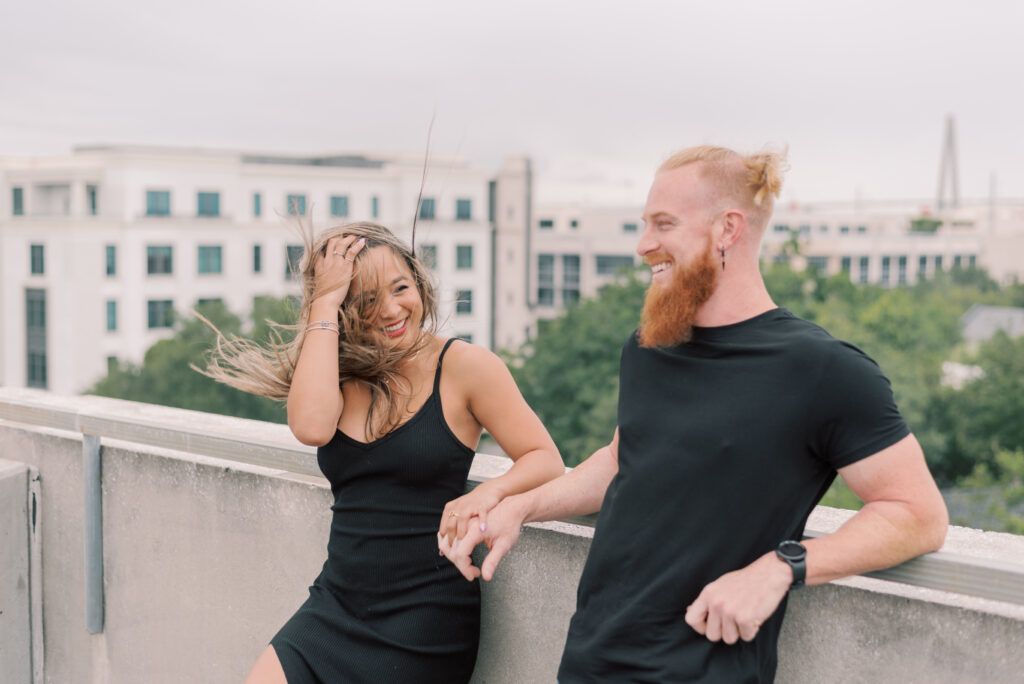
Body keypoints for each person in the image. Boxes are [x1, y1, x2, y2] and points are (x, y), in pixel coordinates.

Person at [440, 146, 950, 682]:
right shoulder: (648, 346)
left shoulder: (824, 370)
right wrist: (520, 507)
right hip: (589, 663)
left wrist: (782, 567)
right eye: (644, 225)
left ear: (727, 229)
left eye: (664, 224)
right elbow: (622, 460)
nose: (643, 246)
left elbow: (917, 515)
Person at [203, 222, 563, 684]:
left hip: (423, 619)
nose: (392, 310)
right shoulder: (336, 371)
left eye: (401, 288)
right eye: (368, 299)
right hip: (334, 606)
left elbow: (544, 458)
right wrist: (324, 301)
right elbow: (310, 426)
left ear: (419, 283)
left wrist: (488, 494)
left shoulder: (465, 367)